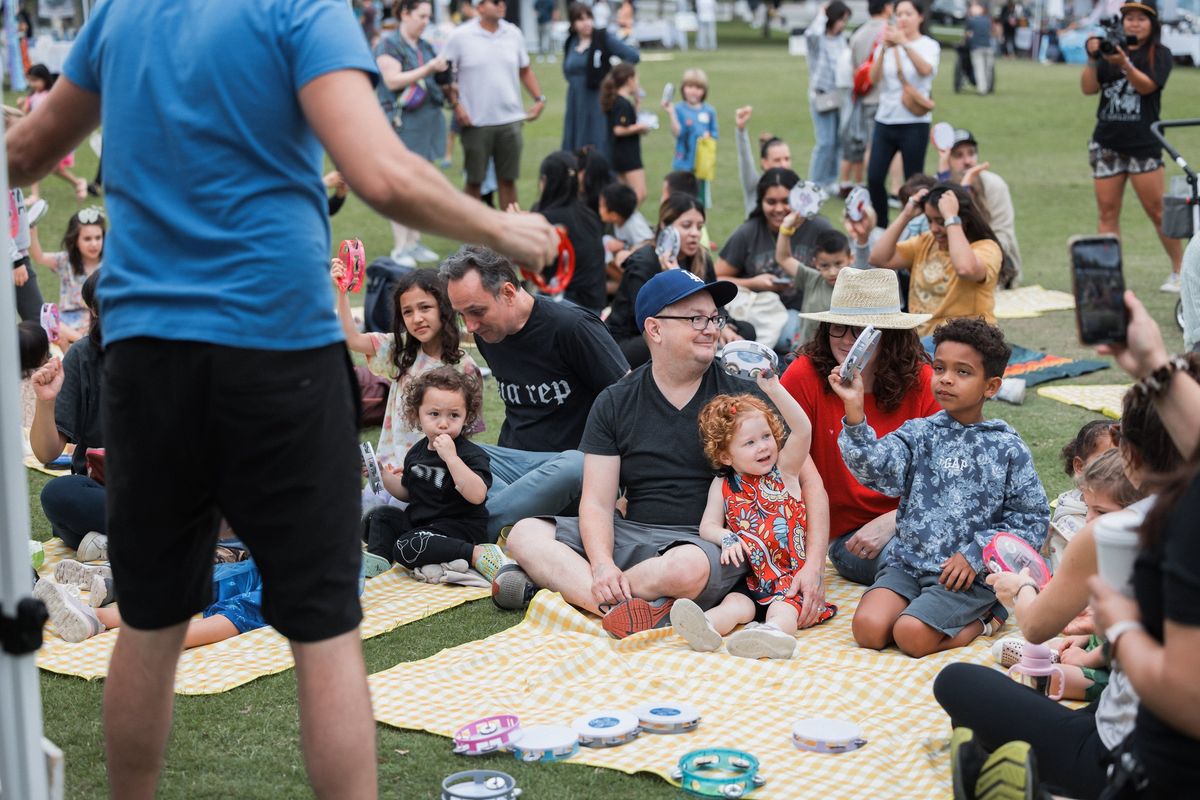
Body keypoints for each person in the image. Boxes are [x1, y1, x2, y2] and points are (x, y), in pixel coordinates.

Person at [7, 0, 560, 795]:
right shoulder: (300, 8)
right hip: (278, 352)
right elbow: (380, 173)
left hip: (149, 358)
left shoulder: (124, 15)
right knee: (325, 631)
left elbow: (23, 153)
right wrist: (508, 234)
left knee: (152, 622)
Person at [935, 316, 1198, 799]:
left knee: (957, 682)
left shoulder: (1117, 534)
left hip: (1128, 763)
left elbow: (1036, 628)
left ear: (1130, 457)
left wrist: (1033, 593)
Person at [500, 269, 832, 639]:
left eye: (714, 318)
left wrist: (813, 567)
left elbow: (810, 484)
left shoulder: (745, 393)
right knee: (525, 534)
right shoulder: (616, 400)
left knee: (683, 569)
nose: (711, 328)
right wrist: (602, 564)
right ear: (655, 329)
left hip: (708, 544)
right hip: (634, 536)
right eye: (696, 319)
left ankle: (590, 591)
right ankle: (629, 608)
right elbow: (596, 502)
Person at [835, 318, 1049, 657]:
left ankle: (989, 616)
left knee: (909, 636)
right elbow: (877, 470)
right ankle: (923, 610)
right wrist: (855, 412)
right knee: (868, 630)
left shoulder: (1007, 448)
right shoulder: (919, 432)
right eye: (939, 368)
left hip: (964, 579)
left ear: (991, 387)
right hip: (907, 565)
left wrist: (977, 554)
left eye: (963, 372)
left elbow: (1032, 520)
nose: (946, 378)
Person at [441, 246, 629, 539]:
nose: (470, 326)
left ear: (508, 292)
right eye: (461, 315)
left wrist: (631, 489)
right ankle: (490, 526)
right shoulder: (490, 334)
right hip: (514, 470)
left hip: (572, 475)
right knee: (445, 447)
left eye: (477, 312)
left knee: (577, 465)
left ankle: (460, 532)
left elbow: (631, 404)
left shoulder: (572, 327)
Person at [780, 267, 939, 585]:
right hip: (846, 536)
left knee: (963, 550)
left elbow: (943, 474)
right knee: (916, 563)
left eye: (860, 331)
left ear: (887, 334)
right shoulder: (803, 376)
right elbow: (785, 471)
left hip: (918, 520)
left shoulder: (921, 381)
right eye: (838, 327)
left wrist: (895, 520)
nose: (847, 341)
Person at [670, 374, 837, 660]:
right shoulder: (722, 485)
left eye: (767, 436)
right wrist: (727, 536)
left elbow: (803, 429)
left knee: (782, 610)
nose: (763, 446)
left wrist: (773, 388)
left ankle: (771, 634)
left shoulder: (785, 471)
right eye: (749, 443)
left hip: (790, 580)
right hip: (751, 581)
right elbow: (708, 526)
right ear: (725, 456)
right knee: (735, 605)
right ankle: (706, 628)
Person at [329, 260, 483, 514]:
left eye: (425, 307)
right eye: (408, 312)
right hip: (388, 470)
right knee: (362, 517)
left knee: (399, 522)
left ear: (444, 308)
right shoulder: (400, 350)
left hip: (427, 478)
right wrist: (342, 292)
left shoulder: (464, 368)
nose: (417, 318)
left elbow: (466, 435)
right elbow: (352, 338)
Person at [360, 367, 508, 578]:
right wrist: (382, 474)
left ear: (466, 418)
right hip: (421, 525)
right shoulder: (417, 452)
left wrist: (451, 458)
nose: (444, 423)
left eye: (454, 415)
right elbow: (408, 493)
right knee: (378, 516)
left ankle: (476, 554)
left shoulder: (470, 455)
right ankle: (379, 560)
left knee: (406, 546)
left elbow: (477, 496)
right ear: (417, 415)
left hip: (459, 529)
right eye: (434, 414)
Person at [1082, 0, 1180, 293]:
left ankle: (1180, 270)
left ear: (1153, 24)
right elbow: (1088, 89)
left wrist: (1123, 63)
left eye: (1141, 18)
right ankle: (1111, 278)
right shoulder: (1109, 49)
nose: (1134, 23)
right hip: (1107, 142)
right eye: (1129, 18)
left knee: (1158, 211)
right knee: (1107, 213)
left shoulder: (1160, 55)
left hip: (1143, 143)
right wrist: (1093, 56)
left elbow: (1147, 86)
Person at [606, 192, 754, 367]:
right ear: (665, 226)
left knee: (746, 331)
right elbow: (650, 320)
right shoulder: (644, 261)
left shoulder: (701, 258)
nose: (694, 234)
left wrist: (724, 326)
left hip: (691, 327)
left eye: (699, 227)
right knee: (675, 339)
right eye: (686, 226)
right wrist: (674, 279)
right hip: (638, 337)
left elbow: (716, 307)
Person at [28, 272, 108, 559]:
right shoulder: (83, 357)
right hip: (101, 493)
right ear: (96, 312)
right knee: (59, 495)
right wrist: (45, 402)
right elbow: (46, 452)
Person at [442, 0, 548, 210]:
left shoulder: (513, 33)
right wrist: (457, 106)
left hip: (510, 120)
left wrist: (539, 99)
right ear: (479, 7)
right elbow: (444, 75)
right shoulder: (460, 36)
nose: (502, 5)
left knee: (508, 181)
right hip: (476, 121)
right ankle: (472, 236)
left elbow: (525, 70)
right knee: (474, 181)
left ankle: (509, 234)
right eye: (495, 2)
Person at [716, 168, 834, 351]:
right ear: (760, 202)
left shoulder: (820, 228)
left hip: (807, 313)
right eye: (771, 202)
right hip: (761, 313)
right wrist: (754, 283)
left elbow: (841, 267)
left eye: (786, 201)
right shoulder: (748, 232)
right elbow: (715, 279)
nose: (779, 209)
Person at [374, 0, 451, 267]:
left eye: (428, 17)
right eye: (421, 15)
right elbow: (392, 80)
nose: (425, 21)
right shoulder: (388, 44)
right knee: (400, 185)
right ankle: (400, 247)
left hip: (426, 123)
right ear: (404, 13)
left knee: (419, 185)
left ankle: (414, 242)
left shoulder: (425, 45)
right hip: (401, 123)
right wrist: (429, 68)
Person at [871, 183, 1002, 336]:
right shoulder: (926, 242)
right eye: (929, 220)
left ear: (963, 220)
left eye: (941, 222)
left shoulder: (987, 248)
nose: (933, 228)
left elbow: (965, 268)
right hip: (924, 342)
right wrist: (906, 215)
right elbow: (878, 258)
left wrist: (951, 219)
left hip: (967, 339)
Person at [865, 0, 940, 227]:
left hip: (914, 122)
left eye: (908, 13)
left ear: (920, 17)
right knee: (875, 177)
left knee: (914, 181)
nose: (903, 18)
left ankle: (914, 227)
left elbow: (926, 70)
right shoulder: (886, 44)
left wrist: (905, 45)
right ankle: (881, 226)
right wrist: (885, 48)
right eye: (899, 14)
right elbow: (873, 78)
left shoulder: (928, 45)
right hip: (886, 119)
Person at [934, 129, 1023, 288]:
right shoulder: (936, 187)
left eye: (971, 153)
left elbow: (1004, 234)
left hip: (992, 259)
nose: (968, 161)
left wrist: (981, 259)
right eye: (958, 155)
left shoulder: (995, 185)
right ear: (947, 160)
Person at [530, 151, 607, 313]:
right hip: (594, 307)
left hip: (564, 309)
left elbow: (535, 270)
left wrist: (518, 230)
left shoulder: (546, 220)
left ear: (545, 181)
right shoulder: (590, 215)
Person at [561, 2, 640, 159]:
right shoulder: (571, 42)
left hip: (597, 97)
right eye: (580, 19)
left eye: (589, 17)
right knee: (575, 135)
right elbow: (567, 69)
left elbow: (632, 56)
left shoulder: (602, 38)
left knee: (598, 135)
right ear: (573, 23)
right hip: (576, 98)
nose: (586, 23)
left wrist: (616, 78)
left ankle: (601, 174)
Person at [28, 206, 104, 347]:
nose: (94, 244)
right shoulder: (65, 261)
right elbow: (39, 257)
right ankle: (82, 340)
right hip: (67, 322)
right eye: (87, 239)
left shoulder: (109, 264)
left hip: (96, 317)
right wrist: (32, 233)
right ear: (75, 240)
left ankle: (81, 341)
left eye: (98, 238)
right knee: (48, 320)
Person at [1046, 418, 1116, 572]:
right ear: (1080, 466)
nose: (1117, 468)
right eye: (1106, 462)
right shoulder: (1069, 525)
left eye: (1123, 460)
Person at [840, 0, 892, 196]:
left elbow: (854, 68)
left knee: (864, 143)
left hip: (863, 97)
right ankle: (873, 186)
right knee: (875, 145)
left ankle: (862, 183)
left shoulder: (858, 34)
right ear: (887, 7)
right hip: (885, 98)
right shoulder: (890, 32)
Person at [775, 220, 853, 347]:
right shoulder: (812, 279)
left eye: (838, 264)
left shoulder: (857, 286)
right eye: (824, 265)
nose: (832, 272)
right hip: (805, 352)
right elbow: (783, 258)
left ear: (850, 258)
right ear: (815, 263)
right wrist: (785, 228)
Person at [21, 64, 90, 201]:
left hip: (49, 137)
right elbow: (25, 114)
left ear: (45, 79)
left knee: (51, 168)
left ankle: (78, 183)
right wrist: (23, 105)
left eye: (35, 80)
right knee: (36, 163)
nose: (32, 84)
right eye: (30, 80)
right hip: (37, 136)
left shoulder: (50, 97)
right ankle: (36, 194)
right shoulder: (32, 96)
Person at [804, 2, 851, 196]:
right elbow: (810, 34)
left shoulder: (842, 40)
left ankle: (830, 180)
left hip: (839, 95)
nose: (843, 24)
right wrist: (821, 15)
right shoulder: (819, 40)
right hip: (821, 95)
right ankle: (815, 183)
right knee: (824, 142)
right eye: (841, 19)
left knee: (837, 141)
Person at [664, 68, 718, 206]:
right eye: (690, 87)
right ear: (683, 89)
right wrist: (671, 113)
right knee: (681, 199)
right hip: (683, 163)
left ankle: (700, 226)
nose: (694, 91)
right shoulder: (679, 109)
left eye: (698, 88)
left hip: (701, 165)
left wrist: (708, 137)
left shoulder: (709, 111)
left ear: (704, 91)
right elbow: (677, 133)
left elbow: (715, 134)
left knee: (700, 201)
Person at [601, 63, 649, 203]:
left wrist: (637, 104)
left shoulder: (618, 101)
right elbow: (619, 129)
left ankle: (619, 222)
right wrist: (639, 127)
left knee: (622, 194)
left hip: (618, 153)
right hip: (628, 155)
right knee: (639, 193)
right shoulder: (622, 103)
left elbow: (627, 121)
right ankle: (625, 220)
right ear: (629, 80)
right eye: (636, 79)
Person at [733, 106, 793, 216]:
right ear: (765, 163)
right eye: (777, 160)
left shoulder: (795, 189)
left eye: (787, 159)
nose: (783, 164)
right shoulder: (755, 185)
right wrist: (741, 130)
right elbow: (745, 159)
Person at [963, 3, 995, 95]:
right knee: (988, 69)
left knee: (979, 69)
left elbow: (967, 34)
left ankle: (982, 89)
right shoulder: (987, 20)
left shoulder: (971, 21)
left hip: (976, 48)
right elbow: (991, 32)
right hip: (988, 47)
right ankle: (988, 87)